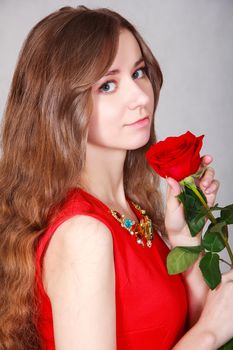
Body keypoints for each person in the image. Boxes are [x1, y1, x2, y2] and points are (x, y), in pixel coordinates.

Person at [0, 5, 233, 350]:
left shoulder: (130, 212)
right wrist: (210, 333)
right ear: (59, 105)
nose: (140, 97)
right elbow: (203, 335)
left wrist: (183, 239)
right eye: (107, 85)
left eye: (138, 73)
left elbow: (181, 329)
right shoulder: (83, 233)